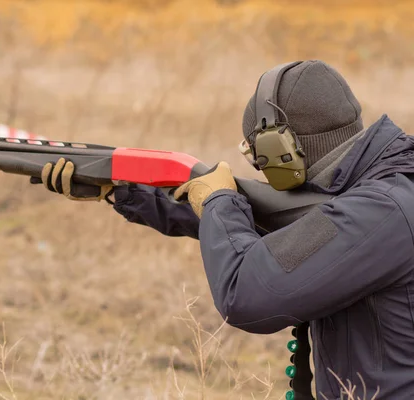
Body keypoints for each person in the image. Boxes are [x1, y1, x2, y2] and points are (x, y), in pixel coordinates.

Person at [37, 60, 414, 399]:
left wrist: (219, 199)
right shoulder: (377, 191)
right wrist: (124, 192)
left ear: (281, 148)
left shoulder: (381, 210)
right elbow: (269, 232)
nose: (259, 167)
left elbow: (248, 294)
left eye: (257, 154)